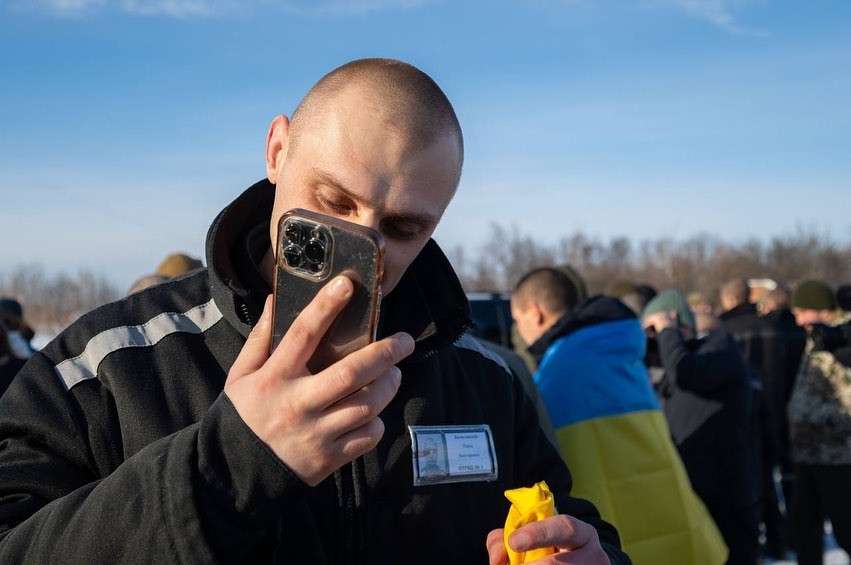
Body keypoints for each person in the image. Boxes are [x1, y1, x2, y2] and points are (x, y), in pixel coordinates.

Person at [0, 59, 627, 564]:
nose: (368, 248)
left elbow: (569, 517)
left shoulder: (488, 378)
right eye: (333, 199)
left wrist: (587, 554)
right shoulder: (104, 368)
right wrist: (232, 464)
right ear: (277, 151)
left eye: (406, 226)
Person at [512, 269, 727, 565]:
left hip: (612, 541)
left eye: (517, 318)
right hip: (675, 520)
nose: (518, 328)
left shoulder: (557, 370)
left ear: (535, 314)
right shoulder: (618, 351)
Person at [643, 290, 759, 565]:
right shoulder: (676, 356)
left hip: (726, 491)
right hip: (693, 486)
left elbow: (685, 373)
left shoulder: (721, 350)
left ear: (680, 324)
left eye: (658, 331)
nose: (656, 339)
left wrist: (667, 330)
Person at [786, 280, 851, 565]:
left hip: (838, 454)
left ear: (820, 309)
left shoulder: (843, 337)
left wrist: (813, 418)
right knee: (804, 531)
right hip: (807, 451)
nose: (798, 321)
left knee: (847, 531)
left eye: (802, 312)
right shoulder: (817, 337)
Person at [718, 278, 781, 557]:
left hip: (742, 416)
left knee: (748, 483)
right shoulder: (771, 327)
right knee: (768, 480)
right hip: (775, 409)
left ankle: (752, 544)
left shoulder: (724, 332)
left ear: (730, 300)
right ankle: (778, 541)